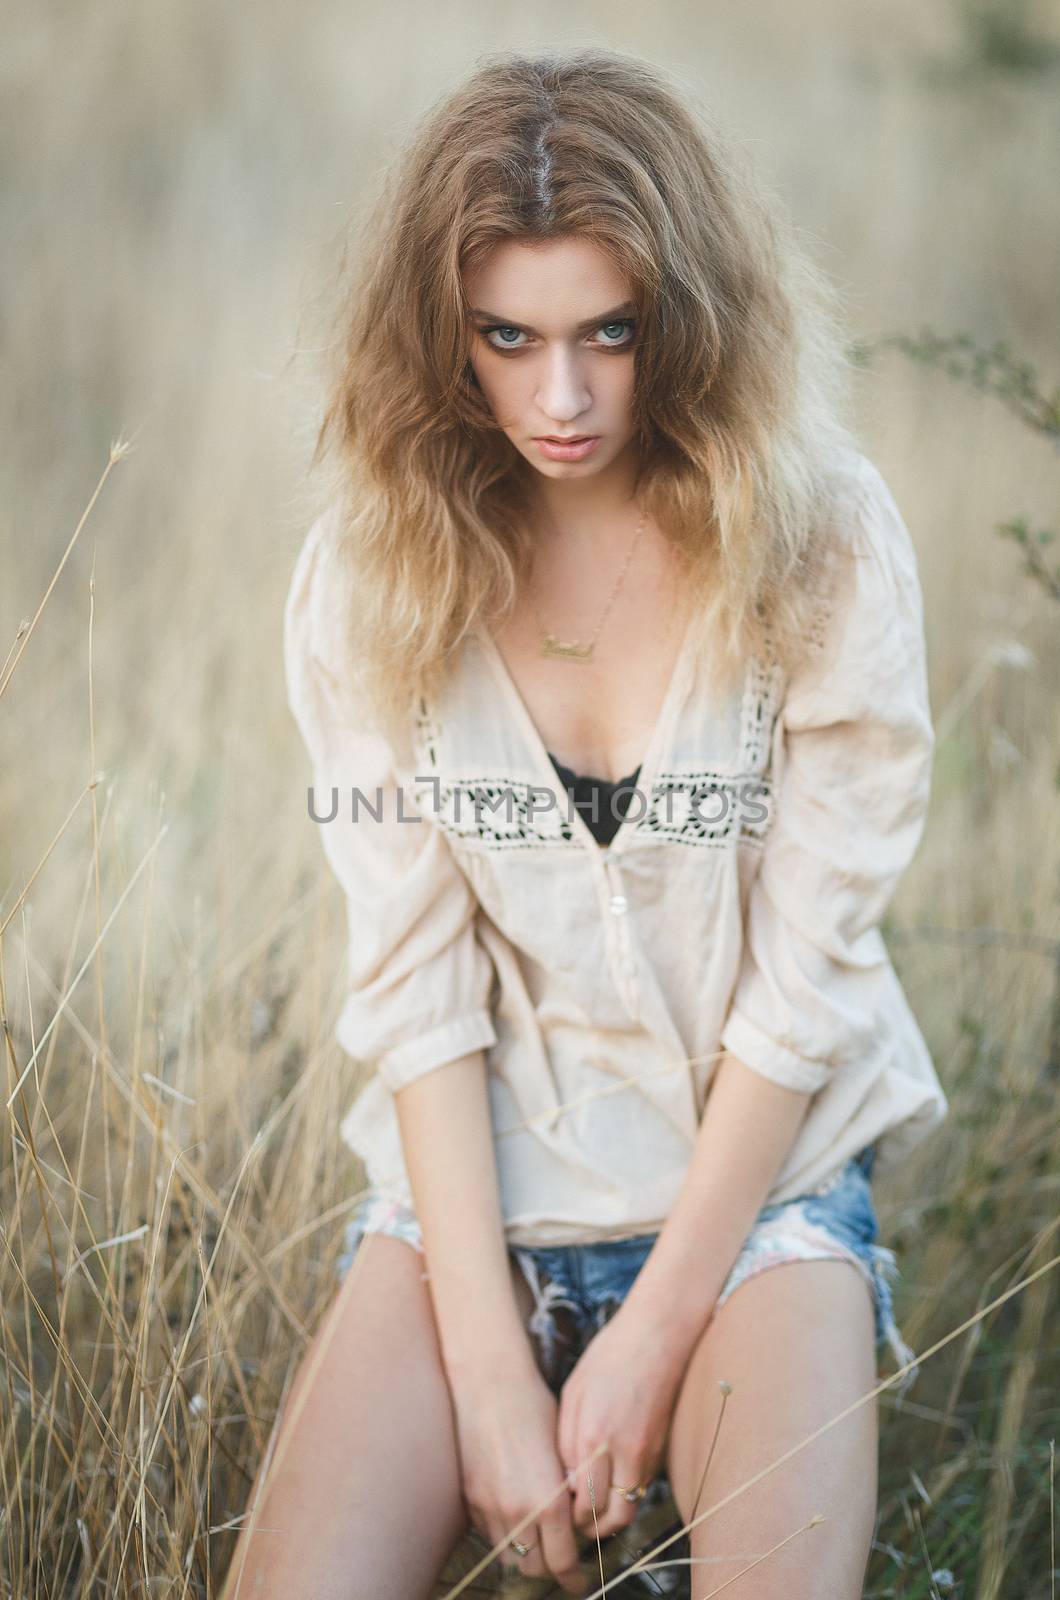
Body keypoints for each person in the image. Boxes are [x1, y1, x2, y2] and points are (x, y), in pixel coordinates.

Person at [222, 46, 948, 1600]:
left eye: (610, 333)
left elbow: (811, 974)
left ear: (679, 317)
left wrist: (651, 1334)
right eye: (512, 338)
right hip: (472, 1200)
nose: (563, 396)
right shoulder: (374, 577)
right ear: (445, 338)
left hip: (758, 1199)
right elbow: (415, 978)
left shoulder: (820, 544)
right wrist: (493, 1363)